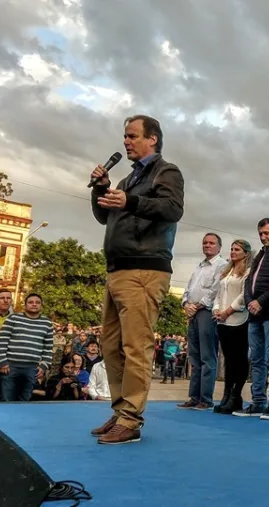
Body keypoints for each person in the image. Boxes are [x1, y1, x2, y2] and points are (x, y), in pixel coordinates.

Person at [89, 114, 184, 444]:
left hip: (145, 270)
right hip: (118, 269)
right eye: (125, 136)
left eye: (132, 136)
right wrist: (101, 189)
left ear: (152, 139)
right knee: (111, 346)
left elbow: (172, 209)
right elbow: (105, 214)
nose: (126, 141)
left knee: (135, 346)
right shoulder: (128, 179)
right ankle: (119, 411)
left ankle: (130, 419)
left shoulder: (165, 171)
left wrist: (131, 200)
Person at [235, 218, 269, 419]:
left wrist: (260, 302)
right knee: (256, 358)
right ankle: (258, 401)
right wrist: (250, 301)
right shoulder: (261, 254)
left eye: (267, 233)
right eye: (260, 234)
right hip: (254, 314)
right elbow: (249, 281)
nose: (263, 237)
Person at [177, 233, 228, 411]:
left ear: (219, 247)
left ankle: (205, 399)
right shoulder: (199, 267)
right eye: (205, 243)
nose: (207, 245)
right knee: (194, 356)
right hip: (193, 313)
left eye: (211, 243)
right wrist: (186, 305)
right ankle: (194, 396)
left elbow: (214, 290)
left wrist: (196, 306)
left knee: (207, 357)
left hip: (207, 312)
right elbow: (188, 289)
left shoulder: (222, 265)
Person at [212, 240, 252, 414]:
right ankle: (227, 395)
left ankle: (236, 395)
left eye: (237, 249)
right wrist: (216, 309)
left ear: (245, 253)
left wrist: (228, 310)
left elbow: (244, 296)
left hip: (238, 319)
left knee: (239, 359)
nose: (233, 252)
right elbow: (218, 294)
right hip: (222, 321)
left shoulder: (248, 272)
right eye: (232, 249)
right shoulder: (226, 272)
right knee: (228, 359)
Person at [0, 293, 54, 402]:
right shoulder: (13, 318)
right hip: (10, 366)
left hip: (32, 368)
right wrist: (3, 362)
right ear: (25, 305)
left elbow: (48, 347)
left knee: (25, 400)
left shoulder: (47, 323)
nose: (34, 305)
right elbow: (2, 340)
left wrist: (44, 366)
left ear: (41, 305)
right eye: (31, 302)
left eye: (37, 303)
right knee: (6, 399)